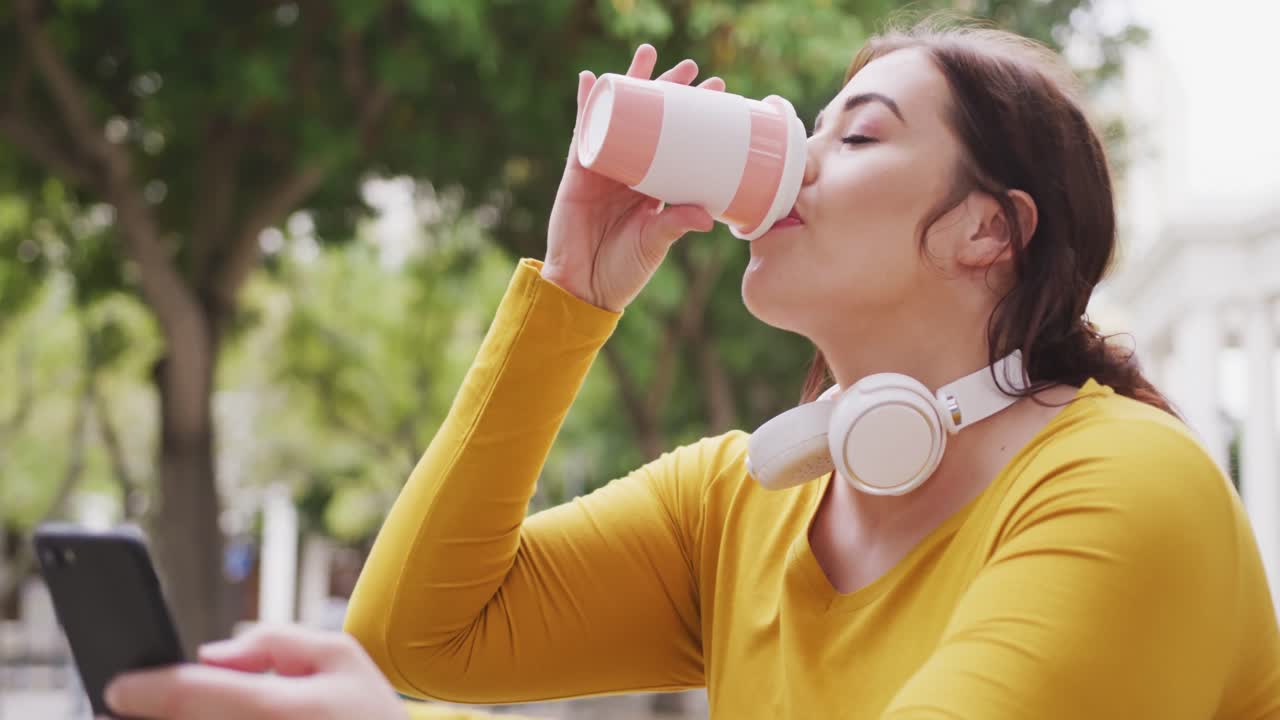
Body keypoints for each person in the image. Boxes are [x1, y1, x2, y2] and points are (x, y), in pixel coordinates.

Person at [105, 18, 1280, 720]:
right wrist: (571, 291)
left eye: (855, 136)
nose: (795, 164)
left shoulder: (1126, 491)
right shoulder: (744, 501)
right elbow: (419, 634)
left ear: (988, 232)